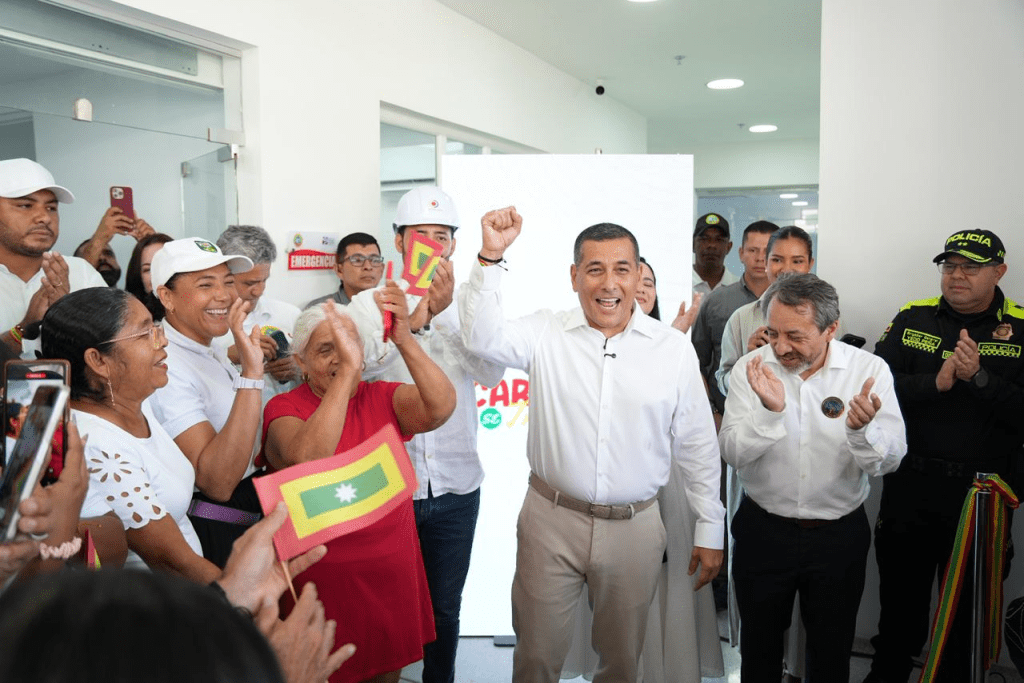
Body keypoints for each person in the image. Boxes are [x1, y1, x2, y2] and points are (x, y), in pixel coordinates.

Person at [459, 208, 725, 683]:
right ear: (574, 276)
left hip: (635, 527)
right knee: (535, 657)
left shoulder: (671, 349)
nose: (609, 284)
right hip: (550, 520)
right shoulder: (545, 332)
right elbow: (481, 338)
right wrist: (490, 259)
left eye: (622, 269)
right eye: (595, 269)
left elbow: (698, 446)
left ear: (639, 276)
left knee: (621, 663)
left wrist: (710, 527)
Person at [344, 185, 503, 683]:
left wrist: (447, 315)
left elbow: (492, 374)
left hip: (456, 485)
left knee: (445, 609)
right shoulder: (368, 304)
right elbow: (359, 378)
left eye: (442, 236)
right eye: (420, 235)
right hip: (388, 484)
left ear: (453, 244)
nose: (432, 245)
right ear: (398, 241)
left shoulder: (471, 302)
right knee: (381, 604)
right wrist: (418, 320)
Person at [719, 273, 907, 683]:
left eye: (795, 336)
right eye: (773, 333)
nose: (780, 347)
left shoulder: (868, 371)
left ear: (830, 328)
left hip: (837, 537)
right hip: (763, 532)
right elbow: (731, 452)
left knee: (830, 655)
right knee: (759, 652)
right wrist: (769, 414)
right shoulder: (751, 368)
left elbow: (889, 461)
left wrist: (861, 432)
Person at [262, 295, 456, 683]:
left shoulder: (382, 397)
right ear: (300, 362)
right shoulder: (284, 408)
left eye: (350, 344)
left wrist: (403, 338)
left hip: (390, 583)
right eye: (326, 349)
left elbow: (440, 407)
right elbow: (309, 459)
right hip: (321, 593)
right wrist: (347, 373)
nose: (342, 356)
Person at [865, 229, 1024, 683]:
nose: (957, 275)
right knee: (899, 608)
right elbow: (874, 387)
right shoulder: (912, 317)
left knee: (966, 616)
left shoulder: (1021, 326)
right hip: (910, 488)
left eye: (970, 267)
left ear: (999, 272)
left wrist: (980, 379)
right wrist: (934, 383)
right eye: (950, 266)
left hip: (980, 495)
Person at [146, 237, 266, 567]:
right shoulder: (165, 364)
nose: (224, 295)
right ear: (166, 297)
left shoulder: (208, 346)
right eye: (205, 284)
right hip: (216, 522)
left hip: (244, 509)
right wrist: (251, 375)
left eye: (228, 282)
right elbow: (217, 483)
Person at [0, 158, 106, 358]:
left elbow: (109, 355)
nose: (44, 217)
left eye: (51, 208)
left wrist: (66, 317)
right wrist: (24, 328)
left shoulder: (81, 272)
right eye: (25, 205)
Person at [716, 225, 817, 396]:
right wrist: (747, 361)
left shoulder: (827, 317)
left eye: (797, 261)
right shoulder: (741, 318)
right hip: (757, 413)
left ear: (810, 264)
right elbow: (724, 384)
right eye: (777, 260)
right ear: (766, 263)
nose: (786, 269)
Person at [692, 221, 778, 418]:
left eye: (767, 252)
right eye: (753, 250)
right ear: (741, 253)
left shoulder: (790, 305)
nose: (760, 258)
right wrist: (711, 411)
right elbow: (697, 363)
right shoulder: (716, 301)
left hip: (777, 414)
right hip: (725, 413)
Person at [215, 225, 302, 403]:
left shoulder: (290, 315)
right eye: (249, 283)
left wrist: (301, 369)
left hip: (286, 419)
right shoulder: (203, 325)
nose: (259, 291)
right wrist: (228, 357)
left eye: (264, 280)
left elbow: (320, 377)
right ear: (223, 273)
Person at [73, 207, 156, 287]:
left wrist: (153, 247)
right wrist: (100, 238)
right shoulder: (71, 293)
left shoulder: (136, 295)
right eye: (93, 253)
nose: (103, 258)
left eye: (108, 253)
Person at [306, 232, 384, 308]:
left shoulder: (389, 307)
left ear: (382, 270)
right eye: (357, 260)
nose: (368, 267)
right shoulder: (320, 309)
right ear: (339, 270)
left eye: (375, 260)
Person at [637, 256, 703, 333]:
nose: (641, 289)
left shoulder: (664, 336)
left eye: (648, 284)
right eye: (634, 283)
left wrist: (675, 333)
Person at [692, 212, 737, 298]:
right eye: (704, 239)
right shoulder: (679, 284)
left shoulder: (740, 288)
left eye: (719, 240)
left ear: (729, 247)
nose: (712, 245)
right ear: (693, 245)